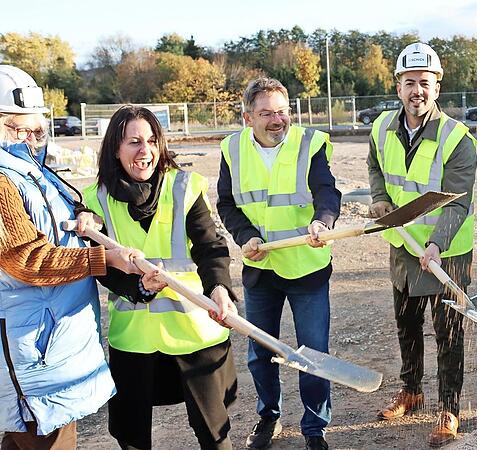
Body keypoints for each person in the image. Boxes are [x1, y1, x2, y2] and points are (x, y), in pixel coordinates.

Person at [78, 105, 239, 450]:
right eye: (134, 142)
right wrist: (137, 286)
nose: (145, 151)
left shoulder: (184, 187)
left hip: (195, 330)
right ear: (115, 149)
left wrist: (221, 288)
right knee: (131, 435)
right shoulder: (95, 202)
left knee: (215, 434)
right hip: (135, 338)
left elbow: (210, 247)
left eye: (152, 140)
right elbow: (102, 267)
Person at [0, 65, 142, 449]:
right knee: (45, 436)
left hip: (53, 334)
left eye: (35, 127)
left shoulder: (29, 169)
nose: (32, 136)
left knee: (26, 439)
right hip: (30, 344)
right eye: (19, 128)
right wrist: (105, 261)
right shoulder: (2, 180)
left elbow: (54, 221)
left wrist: (83, 216)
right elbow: (25, 261)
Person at [216, 77, 340, 450]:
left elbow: (327, 191)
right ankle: (268, 417)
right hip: (261, 269)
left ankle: (315, 428)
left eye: (282, 112)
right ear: (247, 117)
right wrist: (245, 236)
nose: (277, 120)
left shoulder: (310, 144)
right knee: (260, 354)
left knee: (313, 353)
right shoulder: (232, 149)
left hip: (306, 267)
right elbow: (226, 203)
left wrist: (323, 221)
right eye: (267, 113)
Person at [368, 42, 477, 447]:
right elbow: (375, 166)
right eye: (409, 82)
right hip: (402, 248)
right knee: (407, 325)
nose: (418, 91)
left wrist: (435, 243)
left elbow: (458, 201)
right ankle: (412, 390)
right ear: (398, 86)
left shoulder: (457, 138)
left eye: (425, 83)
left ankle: (449, 409)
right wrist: (378, 198)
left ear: (437, 86)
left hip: (446, 254)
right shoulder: (381, 127)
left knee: (449, 334)